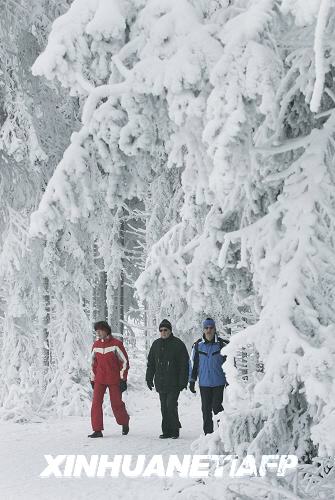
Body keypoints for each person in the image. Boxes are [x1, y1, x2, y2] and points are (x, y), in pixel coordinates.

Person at [146, 319, 189, 439]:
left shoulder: (178, 344)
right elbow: (151, 363)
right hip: (161, 382)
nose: (163, 332)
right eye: (161, 330)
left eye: (165, 330)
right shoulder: (156, 344)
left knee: (171, 405)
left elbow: (184, 364)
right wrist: (149, 378)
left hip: (174, 383)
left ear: (170, 330)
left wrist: (183, 381)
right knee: (164, 407)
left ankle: (175, 430)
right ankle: (166, 431)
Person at [88, 321, 130, 438]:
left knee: (116, 404)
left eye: (100, 330)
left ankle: (124, 421)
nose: (98, 333)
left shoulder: (116, 344)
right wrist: (92, 379)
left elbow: (125, 362)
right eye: (97, 331)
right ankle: (97, 430)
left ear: (106, 330)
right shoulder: (96, 345)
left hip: (114, 379)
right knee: (96, 403)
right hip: (100, 380)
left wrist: (123, 379)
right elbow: (92, 363)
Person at [189, 318, 229, 435]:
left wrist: (229, 381)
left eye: (211, 327)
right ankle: (208, 435)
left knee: (217, 407)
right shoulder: (197, 345)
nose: (209, 330)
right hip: (204, 383)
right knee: (206, 410)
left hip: (218, 382)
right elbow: (192, 363)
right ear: (203, 329)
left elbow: (229, 364)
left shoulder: (222, 344)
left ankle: (223, 433)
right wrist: (192, 380)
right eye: (206, 328)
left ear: (215, 328)